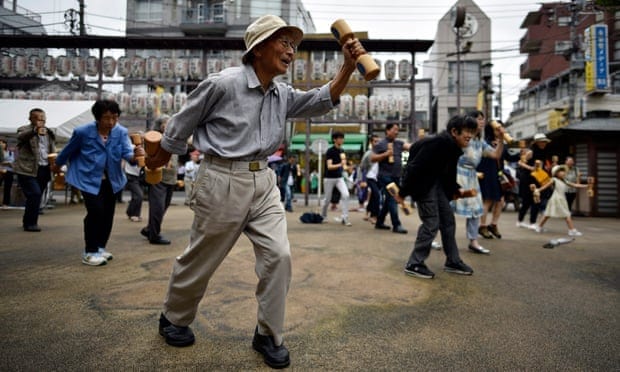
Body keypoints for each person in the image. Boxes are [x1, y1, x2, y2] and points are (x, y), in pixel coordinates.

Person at [146, 14, 366, 368]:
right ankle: (173, 317)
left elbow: (321, 99)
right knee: (201, 258)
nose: (291, 51)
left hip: (264, 181)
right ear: (259, 47)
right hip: (221, 179)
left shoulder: (282, 93)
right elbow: (180, 124)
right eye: (284, 43)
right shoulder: (222, 84)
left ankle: (268, 334)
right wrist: (158, 162)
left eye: (293, 45)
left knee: (279, 256)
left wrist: (347, 67)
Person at [54, 100, 145, 266]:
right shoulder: (82, 132)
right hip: (88, 178)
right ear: (97, 118)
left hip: (112, 179)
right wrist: (56, 165)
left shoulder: (121, 132)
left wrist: (136, 155)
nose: (111, 122)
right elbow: (67, 151)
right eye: (106, 118)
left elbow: (127, 155)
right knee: (95, 211)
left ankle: (101, 247)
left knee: (107, 213)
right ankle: (90, 251)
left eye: (115, 118)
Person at [394, 114, 478, 279]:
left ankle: (452, 261)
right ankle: (414, 263)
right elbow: (415, 168)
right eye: (467, 131)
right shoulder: (438, 143)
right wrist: (402, 192)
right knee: (431, 223)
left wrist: (454, 190)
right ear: (454, 131)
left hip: (436, 184)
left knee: (447, 221)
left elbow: (447, 173)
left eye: (472, 131)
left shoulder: (453, 147)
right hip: (423, 185)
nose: (470, 135)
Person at [452, 110, 505, 255]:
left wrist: (501, 140)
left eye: (483, 119)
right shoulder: (462, 137)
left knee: (475, 210)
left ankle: (473, 241)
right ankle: (434, 237)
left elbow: (495, 155)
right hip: (457, 175)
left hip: (472, 177)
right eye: (479, 119)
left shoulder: (480, 142)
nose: (482, 121)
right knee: (446, 208)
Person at [13, 108, 56, 232]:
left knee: (36, 197)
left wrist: (54, 163)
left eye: (43, 118)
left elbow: (51, 150)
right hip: (27, 169)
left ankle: (28, 220)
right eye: (38, 118)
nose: (41, 120)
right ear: (31, 119)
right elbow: (21, 137)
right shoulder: (24, 130)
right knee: (35, 194)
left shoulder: (49, 132)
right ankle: (31, 224)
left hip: (44, 168)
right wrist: (34, 131)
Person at [477, 120, 519, 239]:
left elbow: (513, 157)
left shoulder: (502, 143)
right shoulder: (485, 143)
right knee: (488, 201)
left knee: (500, 201)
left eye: (501, 127)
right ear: (491, 130)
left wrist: (515, 144)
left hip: (498, 175)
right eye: (497, 128)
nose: (500, 130)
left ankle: (493, 225)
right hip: (487, 174)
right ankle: (482, 226)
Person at [141, 115, 177, 245]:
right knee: (158, 207)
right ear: (160, 125)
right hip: (158, 177)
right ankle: (154, 235)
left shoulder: (173, 137)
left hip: (171, 177)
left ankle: (150, 229)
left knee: (164, 206)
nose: (169, 125)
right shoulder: (153, 138)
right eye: (166, 123)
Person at [371, 123, 411, 234]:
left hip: (396, 176)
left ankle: (379, 222)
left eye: (398, 130)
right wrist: (386, 154)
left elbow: (410, 147)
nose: (397, 132)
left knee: (388, 200)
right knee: (393, 198)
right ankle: (396, 225)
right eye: (394, 129)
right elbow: (372, 158)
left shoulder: (399, 143)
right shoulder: (380, 144)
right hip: (385, 176)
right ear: (387, 131)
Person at [534, 165, 588, 236]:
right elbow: (546, 186)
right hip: (556, 199)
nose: (562, 173)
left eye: (563, 171)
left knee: (548, 214)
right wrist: (538, 190)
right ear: (556, 173)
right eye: (560, 171)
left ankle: (539, 227)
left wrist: (586, 186)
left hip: (561, 199)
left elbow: (574, 185)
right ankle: (571, 230)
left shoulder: (565, 181)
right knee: (565, 214)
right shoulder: (554, 179)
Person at [321, 131, 352, 225]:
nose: (342, 140)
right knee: (327, 199)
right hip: (329, 178)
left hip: (339, 177)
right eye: (340, 138)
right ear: (335, 139)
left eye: (342, 138)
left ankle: (345, 218)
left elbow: (344, 165)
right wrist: (340, 164)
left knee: (346, 195)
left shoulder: (342, 151)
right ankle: (323, 216)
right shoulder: (330, 151)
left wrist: (348, 168)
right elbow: (329, 166)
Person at [359, 134, 380, 224]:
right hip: (370, 177)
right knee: (377, 195)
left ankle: (367, 212)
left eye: (378, 141)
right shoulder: (368, 154)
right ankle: (374, 216)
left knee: (374, 196)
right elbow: (361, 167)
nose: (377, 143)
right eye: (375, 141)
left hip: (379, 178)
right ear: (371, 142)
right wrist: (361, 180)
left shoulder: (381, 152)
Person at [0, 138, 15, 208]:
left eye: (3, 143)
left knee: (7, 187)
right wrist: (7, 162)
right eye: (0, 143)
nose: (2, 144)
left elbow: (12, 162)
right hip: (0, 171)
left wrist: (5, 163)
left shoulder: (10, 152)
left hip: (9, 171)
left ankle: (5, 203)